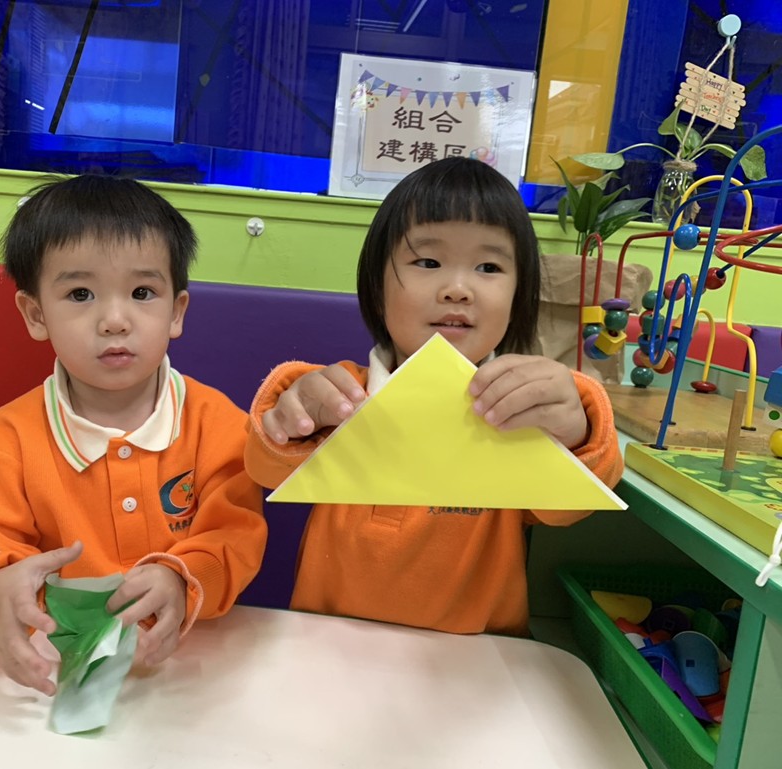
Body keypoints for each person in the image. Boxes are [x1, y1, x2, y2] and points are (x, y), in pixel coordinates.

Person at [245, 157, 624, 636]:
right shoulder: (340, 397)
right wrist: (290, 415)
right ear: (377, 287)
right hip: (329, 647)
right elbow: (264, 466)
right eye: (428, 262)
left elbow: (568, 507)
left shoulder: (522, 410)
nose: (458, 289)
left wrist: (579, 427)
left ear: (518, 298)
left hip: (478, 658)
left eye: (489, 267)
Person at [0, 174, 267, 695]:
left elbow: (234, 536)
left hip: (188, 667)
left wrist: (182, 577)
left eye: (142, 293)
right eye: (80, 294)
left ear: (176, 311)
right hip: (52, 664)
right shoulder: (8, 436)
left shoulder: (219, 424)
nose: (114, 320)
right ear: (36, 315)